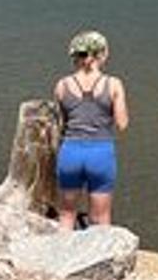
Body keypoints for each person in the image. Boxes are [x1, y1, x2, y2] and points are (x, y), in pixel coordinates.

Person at [55, 30, 128, 230]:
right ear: (101, 55)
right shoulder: (113, 84)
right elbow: (122, 124)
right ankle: (102, 259)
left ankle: (62, 258)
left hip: (70, 152)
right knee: (101, 219)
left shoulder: (62, 85)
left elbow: (62, 123)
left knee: (67, 215)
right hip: (100, 152)